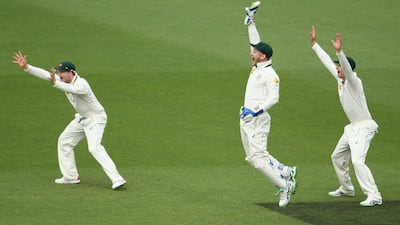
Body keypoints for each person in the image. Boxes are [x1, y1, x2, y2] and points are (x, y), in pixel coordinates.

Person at [12, 51, 126, 190]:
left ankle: (117, 179)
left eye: (62, 72)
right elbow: (46, 75)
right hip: (81, 119)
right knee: (64, 141)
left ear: (70, 73)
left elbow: (73, 90)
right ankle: (70, 177)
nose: (59, 75)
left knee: (94, 148)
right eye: (59, 72)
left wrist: (56, 84)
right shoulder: (62, 80)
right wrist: (27, 67)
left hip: (95, 119)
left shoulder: (81, 83)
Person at [310, 26, 383, 206]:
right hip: (352, 128)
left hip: (364, 126)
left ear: (346, 68)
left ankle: (374, 195)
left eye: (340, 67)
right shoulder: (340, 80)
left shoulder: (355, 81)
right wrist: (314, 44)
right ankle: (347, 188)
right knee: (337, 156)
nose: (337, 69)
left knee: (358, 161)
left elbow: (348, 71)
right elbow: (328, 62)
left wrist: (340, 51)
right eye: (337, 67)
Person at [240, 1, 297, 208]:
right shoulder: (257, 67)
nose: (251, 53)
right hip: (245, 118)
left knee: (256, 158)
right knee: (254, 156)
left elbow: (274, 98)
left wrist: (255, 111)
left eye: (254, 52)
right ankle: (286, 171)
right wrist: (250, 24)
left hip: (258, 119)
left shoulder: (271, 74)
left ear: (262, 56)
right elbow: (255, 42)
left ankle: (284, 186)